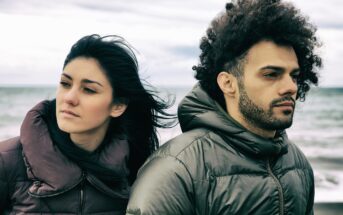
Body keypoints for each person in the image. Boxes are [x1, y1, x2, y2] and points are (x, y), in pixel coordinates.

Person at [126, 0, 322, 214]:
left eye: (293, 75)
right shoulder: (176, 169)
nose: (290, 87)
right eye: (271, 75)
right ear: (228, 83)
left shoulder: (298, 165)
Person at [0, 34, 174, 214]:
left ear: (117, 105)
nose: (69, 98)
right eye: (65, 84)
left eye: (89, 90)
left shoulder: (135, 169)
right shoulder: (6, 161)